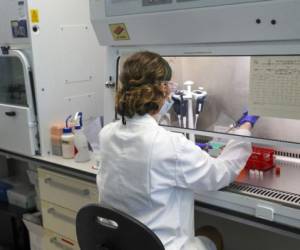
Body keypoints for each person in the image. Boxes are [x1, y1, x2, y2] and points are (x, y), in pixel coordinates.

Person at [97, 51, 258, 250]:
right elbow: (218, 174)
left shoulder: (107, 134)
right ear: (162, 91)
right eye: (169, 87)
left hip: (123, 245)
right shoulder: (167, 144)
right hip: (163, 247)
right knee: (212, 234)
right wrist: (243, 131)